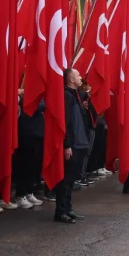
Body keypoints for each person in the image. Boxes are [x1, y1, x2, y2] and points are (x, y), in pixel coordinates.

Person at [55, 69, 90, 223]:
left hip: (80, 143)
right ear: (70, 79)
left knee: (72, 179)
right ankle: (60, 211)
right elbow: (66, 122)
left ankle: (69, 209)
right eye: (78, 75)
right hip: (72, 145)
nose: (81, 77)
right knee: (66, 179)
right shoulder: (66, 95)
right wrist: (66, 144)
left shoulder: (75, 95)